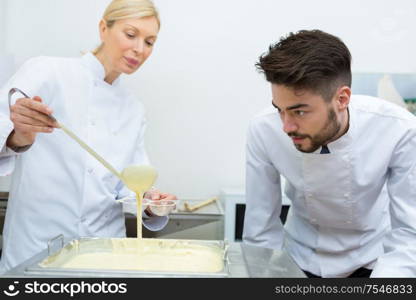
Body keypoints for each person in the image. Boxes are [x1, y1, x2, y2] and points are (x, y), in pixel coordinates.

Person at [0, 0, 177, 273]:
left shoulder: (133, 109)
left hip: (105, 250)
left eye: (150, 42)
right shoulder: (47, 72)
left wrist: (151, 204)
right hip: (37, 248)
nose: (139, 49)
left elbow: (128, 185)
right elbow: (5, 128)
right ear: (103, 28)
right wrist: (17, 136)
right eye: (130, 35)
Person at [243, 29, 416, 277]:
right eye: (279, 109)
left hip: (373, 261)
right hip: (299, 259)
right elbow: (260, 230)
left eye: (300, 111)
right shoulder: (263, 129)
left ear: (342, 98)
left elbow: (410, 234)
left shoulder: (399, 129)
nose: (286, 126)